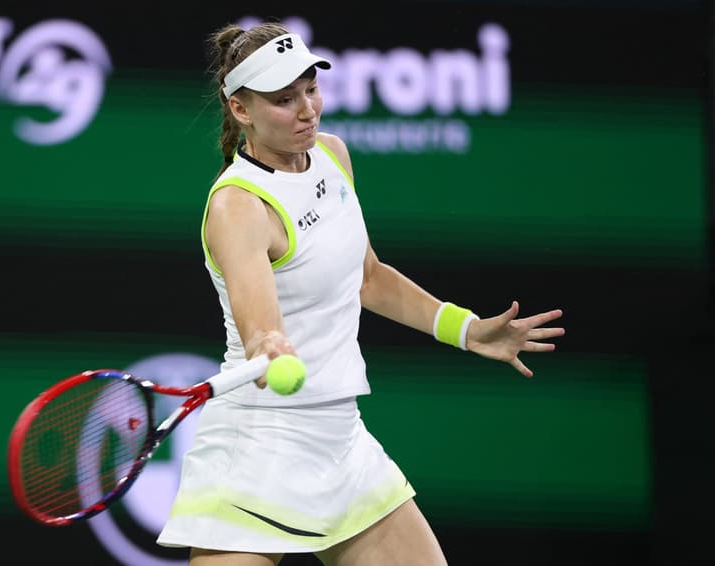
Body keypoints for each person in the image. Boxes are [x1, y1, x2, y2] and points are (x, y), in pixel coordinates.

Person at [156, 21, 565, 566]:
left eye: (310, 89)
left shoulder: (332, 155)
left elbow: (368, 277)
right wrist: (270, 347)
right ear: (241, 110)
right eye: (284, 99)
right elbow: (260, 330)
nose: (307, 110)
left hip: (340, 440)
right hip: (259, 445)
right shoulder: (238, 206)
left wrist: (467, 330)